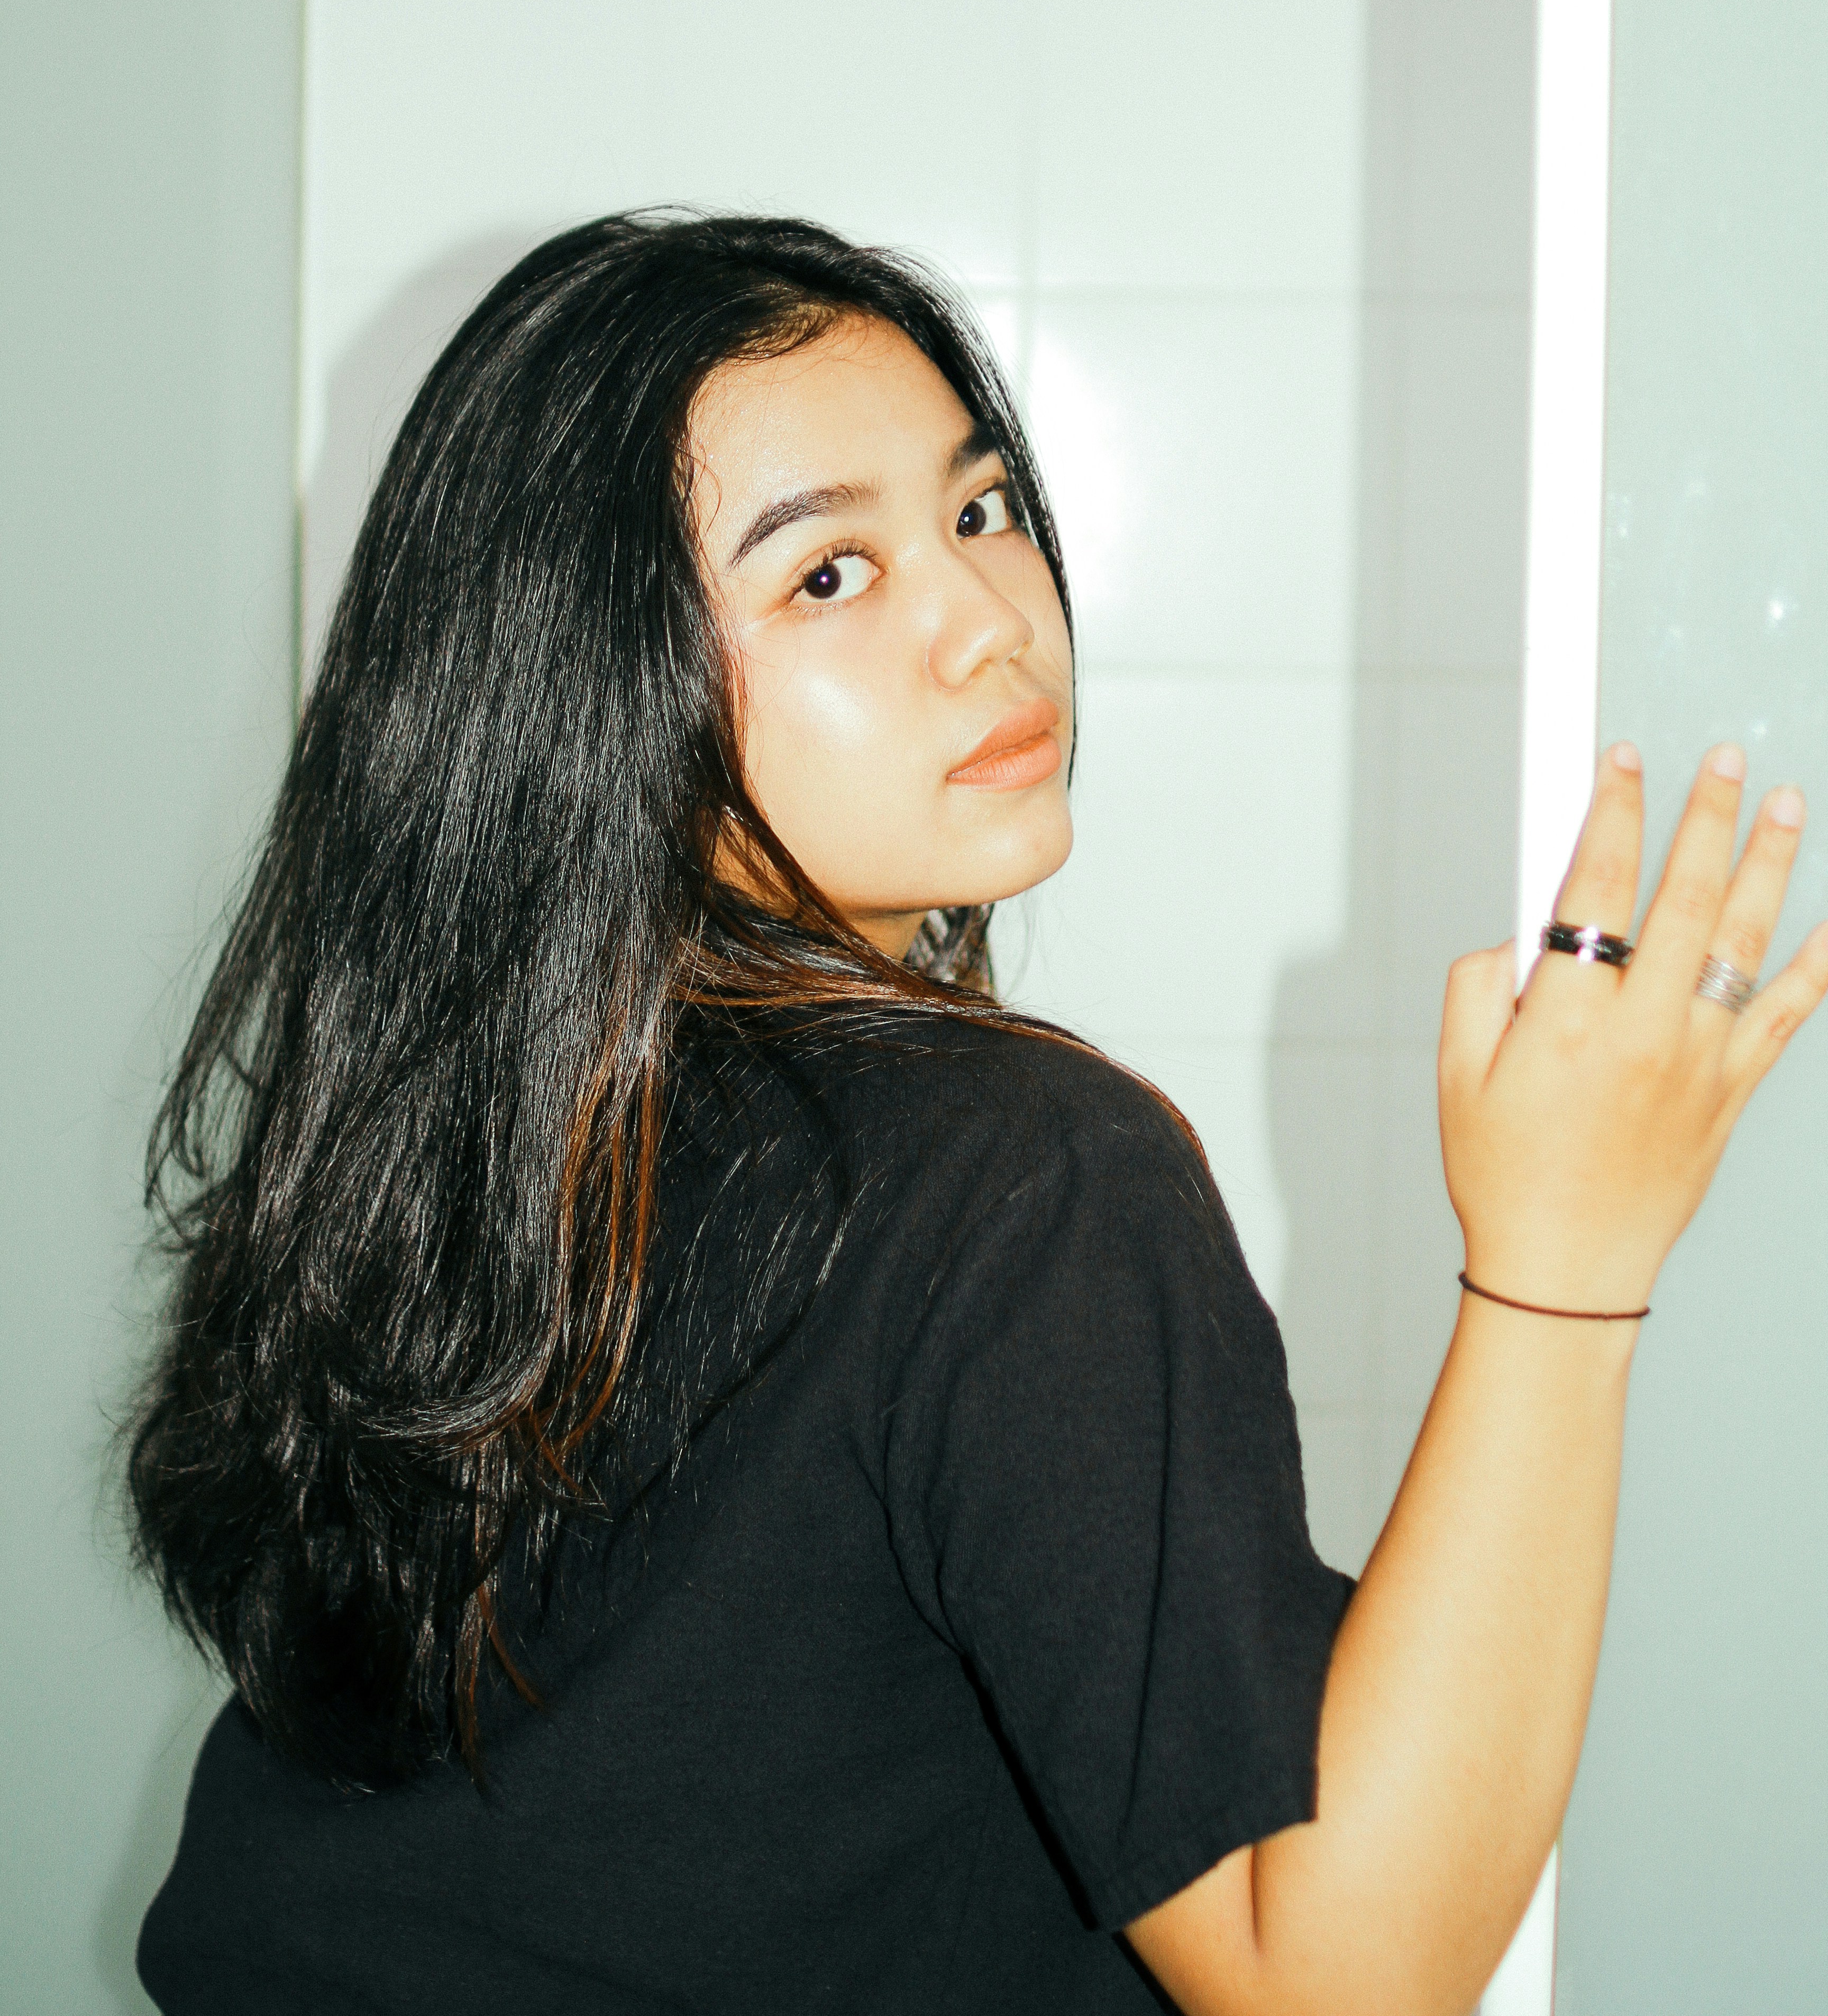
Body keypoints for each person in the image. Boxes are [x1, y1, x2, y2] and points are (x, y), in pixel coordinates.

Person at [130, 211, 1826, 2016]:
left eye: (980, 507)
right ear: (591, 692)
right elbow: (1335, 1978)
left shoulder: (462, 1154)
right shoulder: (1018, 1175)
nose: (989, 624)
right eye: (828, 576)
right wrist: (1568, 1254)